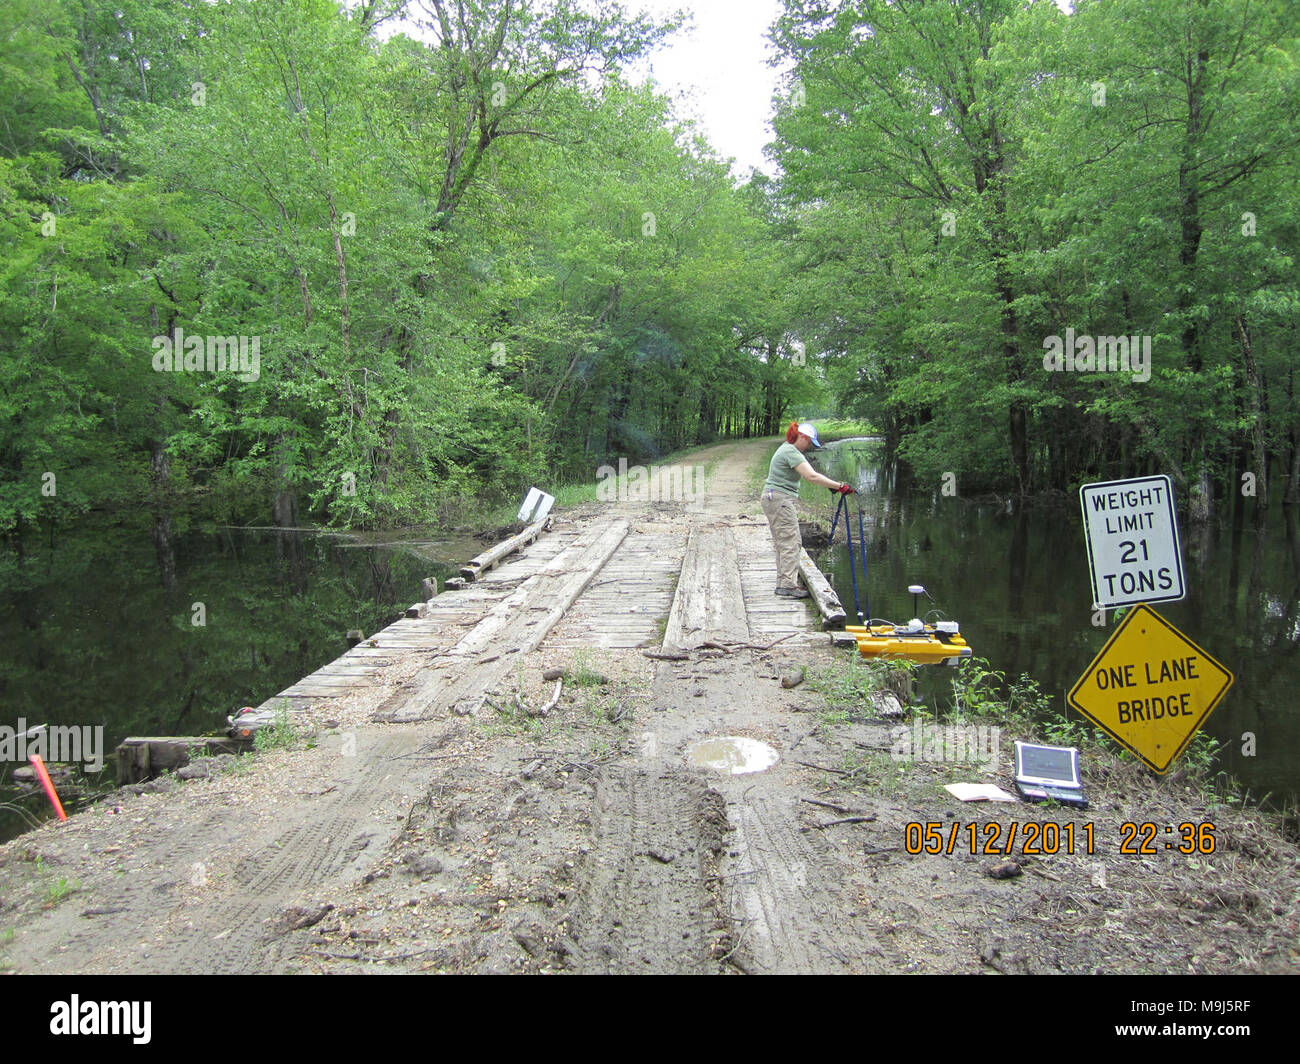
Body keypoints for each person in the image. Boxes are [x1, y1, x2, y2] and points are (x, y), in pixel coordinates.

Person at [761, 422, 855, 598]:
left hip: (774, 498)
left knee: (784, 542)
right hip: (779, 499)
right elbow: (811, 476)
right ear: (802, 437)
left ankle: (784, 583)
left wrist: (834, 487)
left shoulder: (786, 448)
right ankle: (787, 585)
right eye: (810, 442)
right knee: (791, 541)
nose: (810, 446)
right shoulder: (791, 451)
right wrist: (839, 486)